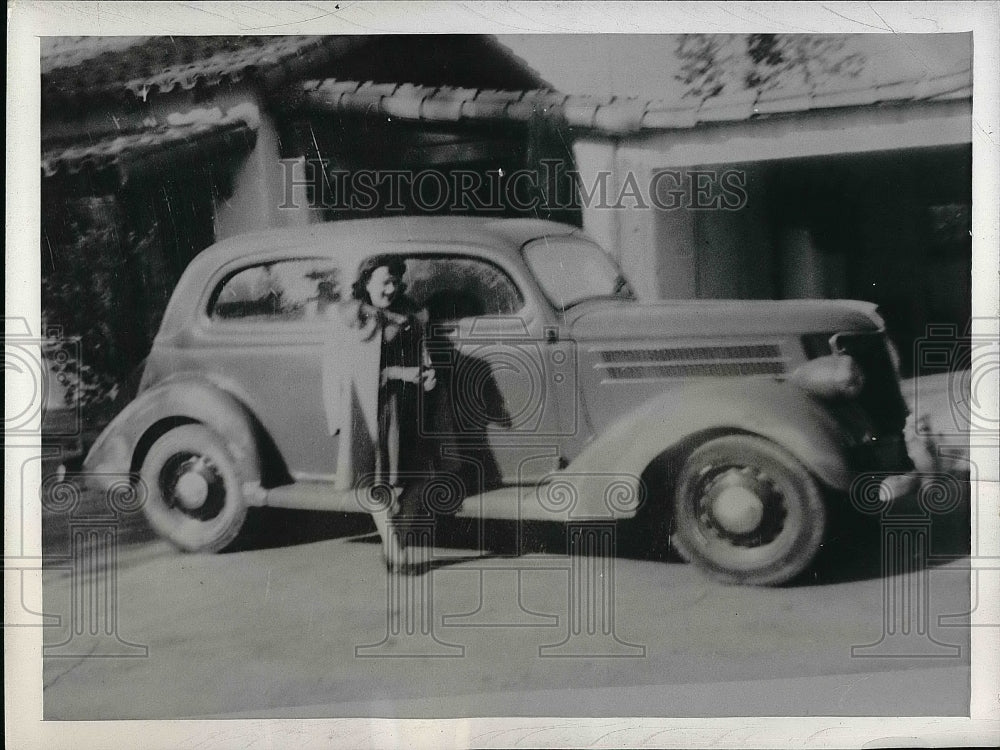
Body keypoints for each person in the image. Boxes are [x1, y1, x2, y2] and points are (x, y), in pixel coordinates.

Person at [345, 255, 437, 574]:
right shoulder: (356, 315)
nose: (391, 287)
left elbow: (419, 350)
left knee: (418, 478)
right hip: (376, 409)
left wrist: (427, 373)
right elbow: (363, 374)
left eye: (395, 280)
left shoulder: (408, 310)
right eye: (384, 281)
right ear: (366, 282)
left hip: (406, 407)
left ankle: (391, 541)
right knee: (378, 481)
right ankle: (396, 552)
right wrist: (401, 372)